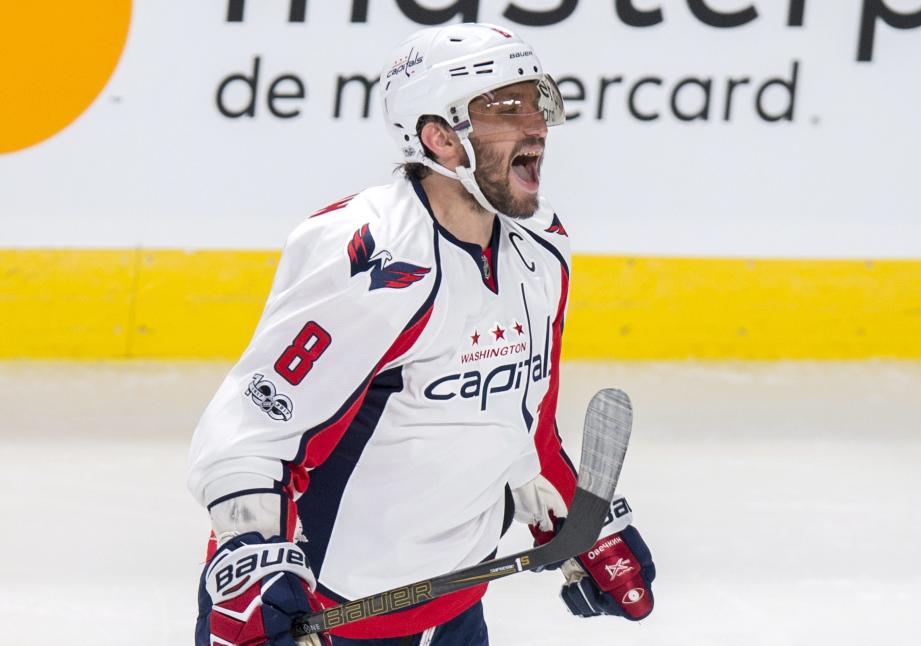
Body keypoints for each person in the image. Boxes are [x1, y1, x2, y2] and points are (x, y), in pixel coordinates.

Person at [188, 22, 655, 646]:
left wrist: (579, 520)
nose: (535, 125)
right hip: (321, 618)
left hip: (456, 607)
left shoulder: (543, 249)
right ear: (439, 138)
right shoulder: (370, 257)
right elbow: (256, 428)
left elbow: (522, 418)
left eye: (535, 102)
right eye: (503, 110)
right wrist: (249, 559)